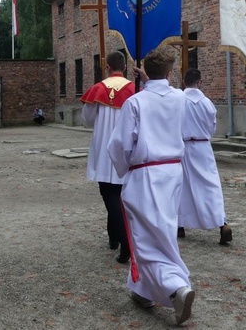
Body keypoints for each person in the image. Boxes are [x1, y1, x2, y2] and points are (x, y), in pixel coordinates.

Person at [107, 46, 195, 325]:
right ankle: (143, 289)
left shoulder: (136, 102)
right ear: (170, 73)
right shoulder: (180, 98)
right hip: (172, 171)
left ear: (147, 72)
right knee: (163, 229)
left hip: (145, 172)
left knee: (144, 238)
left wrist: (126, 169)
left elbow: (120, 144)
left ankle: (174, 287)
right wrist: (151, 79)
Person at [80, 51, 135, 264]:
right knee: (120, 196)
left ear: (107, 67)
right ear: (125, 67)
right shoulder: (134, 89)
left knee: (110, 196)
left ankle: (122, 241)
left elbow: (87, 120)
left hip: (104, 150)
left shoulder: (98, 89)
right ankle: (114, 236)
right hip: (125, 149)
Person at [176, 68, 232, 245]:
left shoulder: (178, 100)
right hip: (203, 147)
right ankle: (221, 223)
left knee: (181, 186)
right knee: (210, 185)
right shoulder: (207, 103)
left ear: (184, 82)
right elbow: (212, 128)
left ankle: (179, 224)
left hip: (183, 146)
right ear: (199, 82)